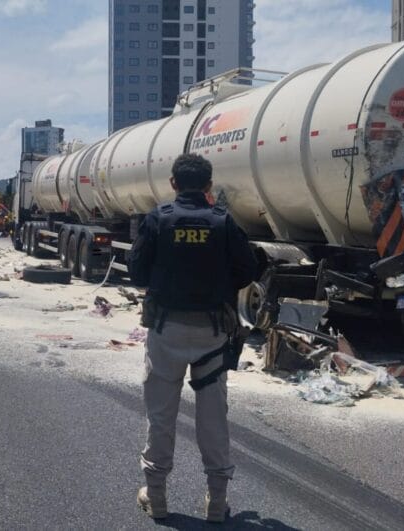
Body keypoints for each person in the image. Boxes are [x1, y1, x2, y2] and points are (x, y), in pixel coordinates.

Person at [128, 153, 258, 522]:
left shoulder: (158, 219)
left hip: (166, 331)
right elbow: (247, 271)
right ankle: (216, 501)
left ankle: (156, 496)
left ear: (173, 183)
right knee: (213, 419)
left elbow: (137, 273)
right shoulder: (223, 221)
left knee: (160, 415)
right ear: (209, 185)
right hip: (213, 335)